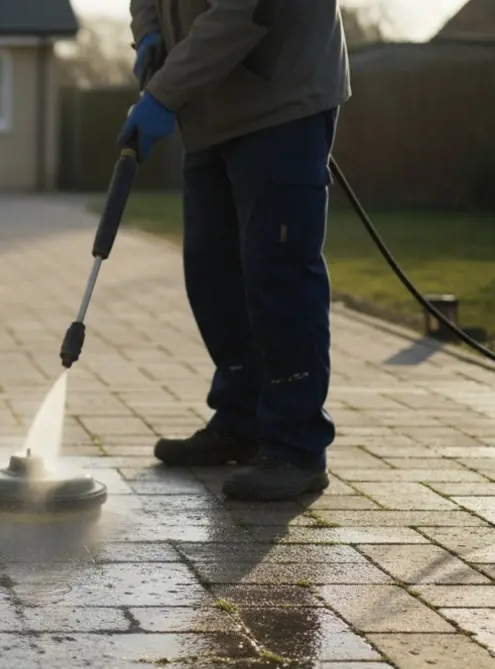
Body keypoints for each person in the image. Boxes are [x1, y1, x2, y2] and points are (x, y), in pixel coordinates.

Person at [119, 0, 351, 502]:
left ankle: (296, 445)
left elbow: (241, 12)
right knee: (211, 270)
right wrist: (148, 35)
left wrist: (162, 93)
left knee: (277, 269)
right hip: (209, 106)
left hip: (280, 98)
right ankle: (240, 419)